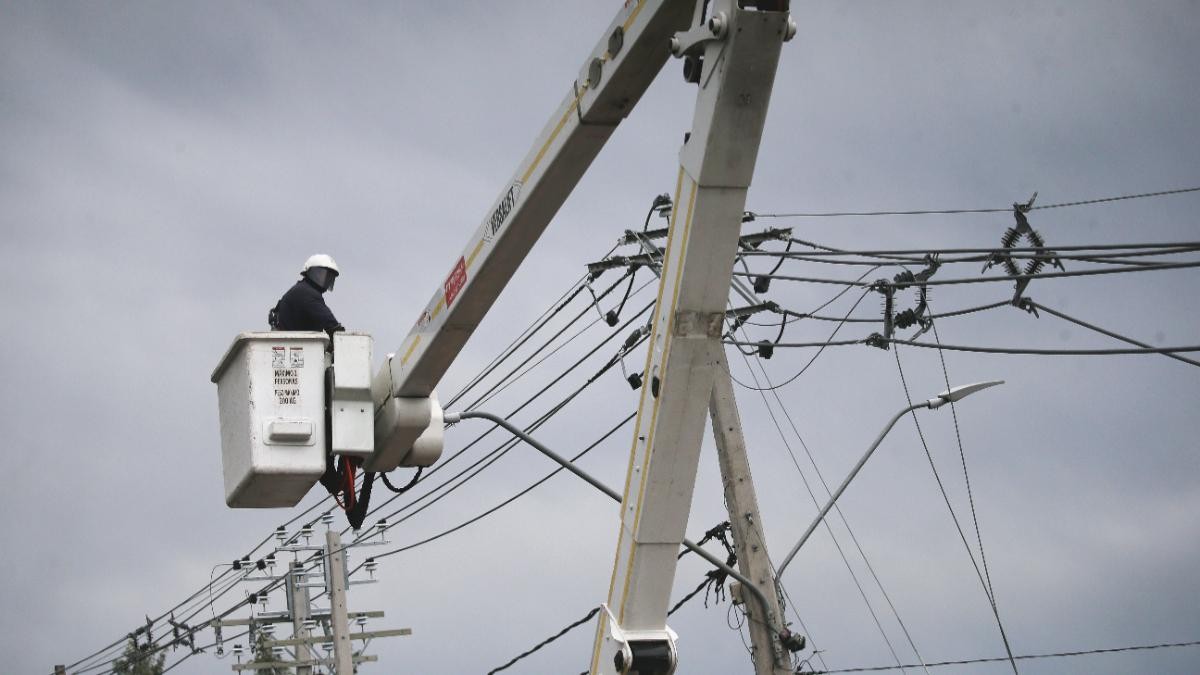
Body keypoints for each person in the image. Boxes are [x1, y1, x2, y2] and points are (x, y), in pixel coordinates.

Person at [270, 254, 345, 333]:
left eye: (329, 276)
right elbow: (331, 325)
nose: (325, 279)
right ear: (309, 272)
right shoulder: (306, 293)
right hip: (298, 343)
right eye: (320, 273)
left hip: (294, 341)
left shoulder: (299, 289)